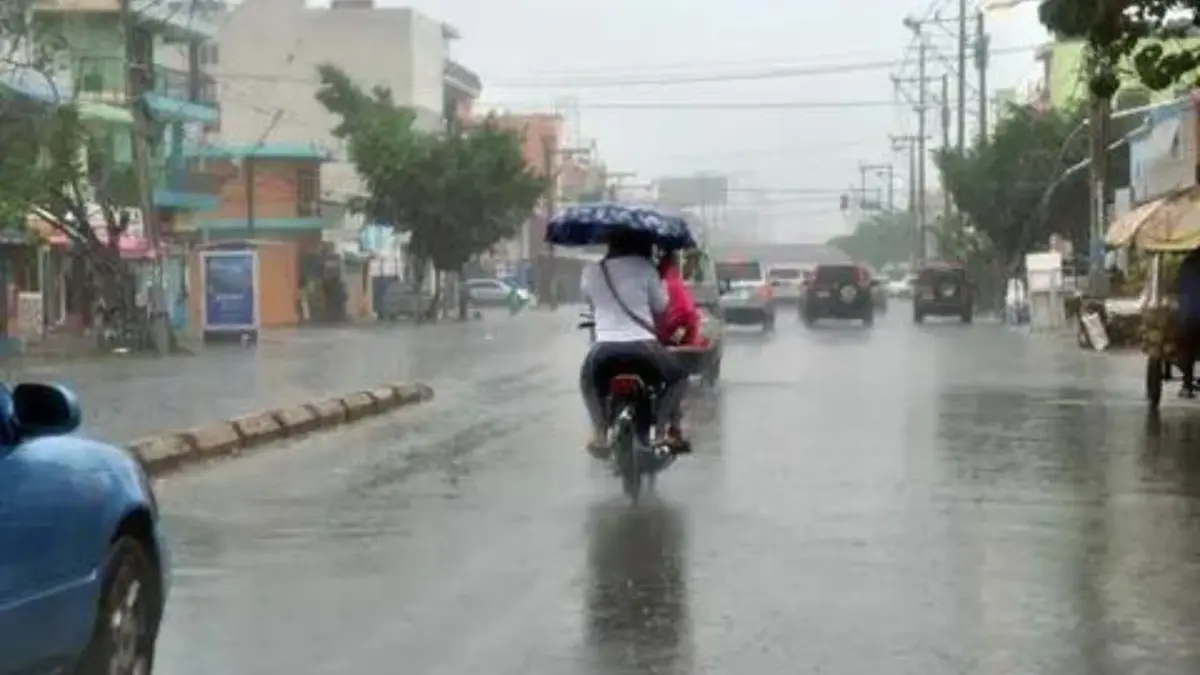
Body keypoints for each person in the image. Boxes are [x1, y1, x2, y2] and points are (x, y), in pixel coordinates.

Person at [579, 232, 690, 457]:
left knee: (587, 380)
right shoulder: (646, 268)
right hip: (644, 349)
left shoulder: (591, 271)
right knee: (678, 377)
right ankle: (661, 430)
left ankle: (600, 431)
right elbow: (661, 307)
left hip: (603, 351)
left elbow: (590, 300)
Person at [657, 250, 705, 347]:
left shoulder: (664, 278)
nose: (692, 270)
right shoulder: (673, 281)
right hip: (680, 337)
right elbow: (685, 318)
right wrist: (674, 342)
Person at [1178, 249, 1200, 397]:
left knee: (1187, 349)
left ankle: (1187, 385)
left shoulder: (1187, 264)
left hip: (1189, 316)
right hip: (1191, 314)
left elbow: (1179, 287)